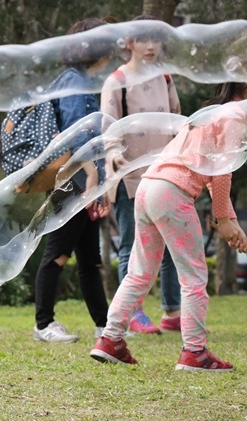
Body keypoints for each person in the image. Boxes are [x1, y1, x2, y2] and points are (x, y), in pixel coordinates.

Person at [91, 82, 247, 371]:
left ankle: (110, 339)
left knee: (139, 272)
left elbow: (212, 172)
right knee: (194, 277)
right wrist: (223, 219)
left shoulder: (211, 114)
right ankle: (194, 352)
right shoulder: (234, 117)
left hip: (149, 188)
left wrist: (230, 220)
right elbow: (223, 170)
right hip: (174, 194)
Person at [100, 14, 182, 335]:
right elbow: (107, 129)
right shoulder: (116, 80)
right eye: (143, 40)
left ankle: (173, 312)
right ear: (129, 43)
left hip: (165, 175)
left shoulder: (165, 79)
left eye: (156, 39)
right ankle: (133, 312)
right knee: (132, 245)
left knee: (172, 245)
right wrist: (113, 153)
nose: (151, 47)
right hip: (130, 178)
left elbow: (176, 121)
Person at [32, 18, 112, 343]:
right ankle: (43, 325)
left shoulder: (78, 81)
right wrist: (93, 176)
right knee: (58, 254)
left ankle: (105, 325)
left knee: (90, 260)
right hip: (74, 184)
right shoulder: (73, 82)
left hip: (84, 185)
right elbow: (75, 134)